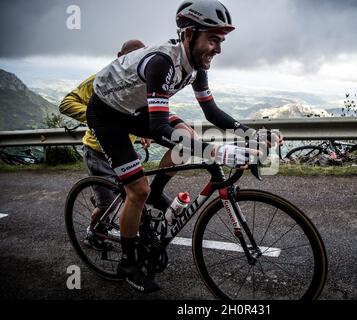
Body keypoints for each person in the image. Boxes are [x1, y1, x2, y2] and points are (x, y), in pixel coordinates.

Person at [87, 0, 282, 293]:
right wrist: (218, 151)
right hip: (107, 115)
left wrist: (251, 136)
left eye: (221, 41)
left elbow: (212, 113)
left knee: (187, 134)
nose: (218, 49)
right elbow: (158, 129)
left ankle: (156, 194)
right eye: (213, 39)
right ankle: (128, 262)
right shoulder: (162, 62)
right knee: (136, 190)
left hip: (134, 107)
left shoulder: (195, 65)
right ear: (189, 35)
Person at [59, 39, 193, 250]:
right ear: (119, 56)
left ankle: (136, 236)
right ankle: (93, 233)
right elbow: (66, 103)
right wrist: (101, 119)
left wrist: (141, 132)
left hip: (123, 147)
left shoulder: (140, 78)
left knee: (135, 194)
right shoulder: (101, 79)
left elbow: (143, 112)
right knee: (106, 205)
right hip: (97, 150)